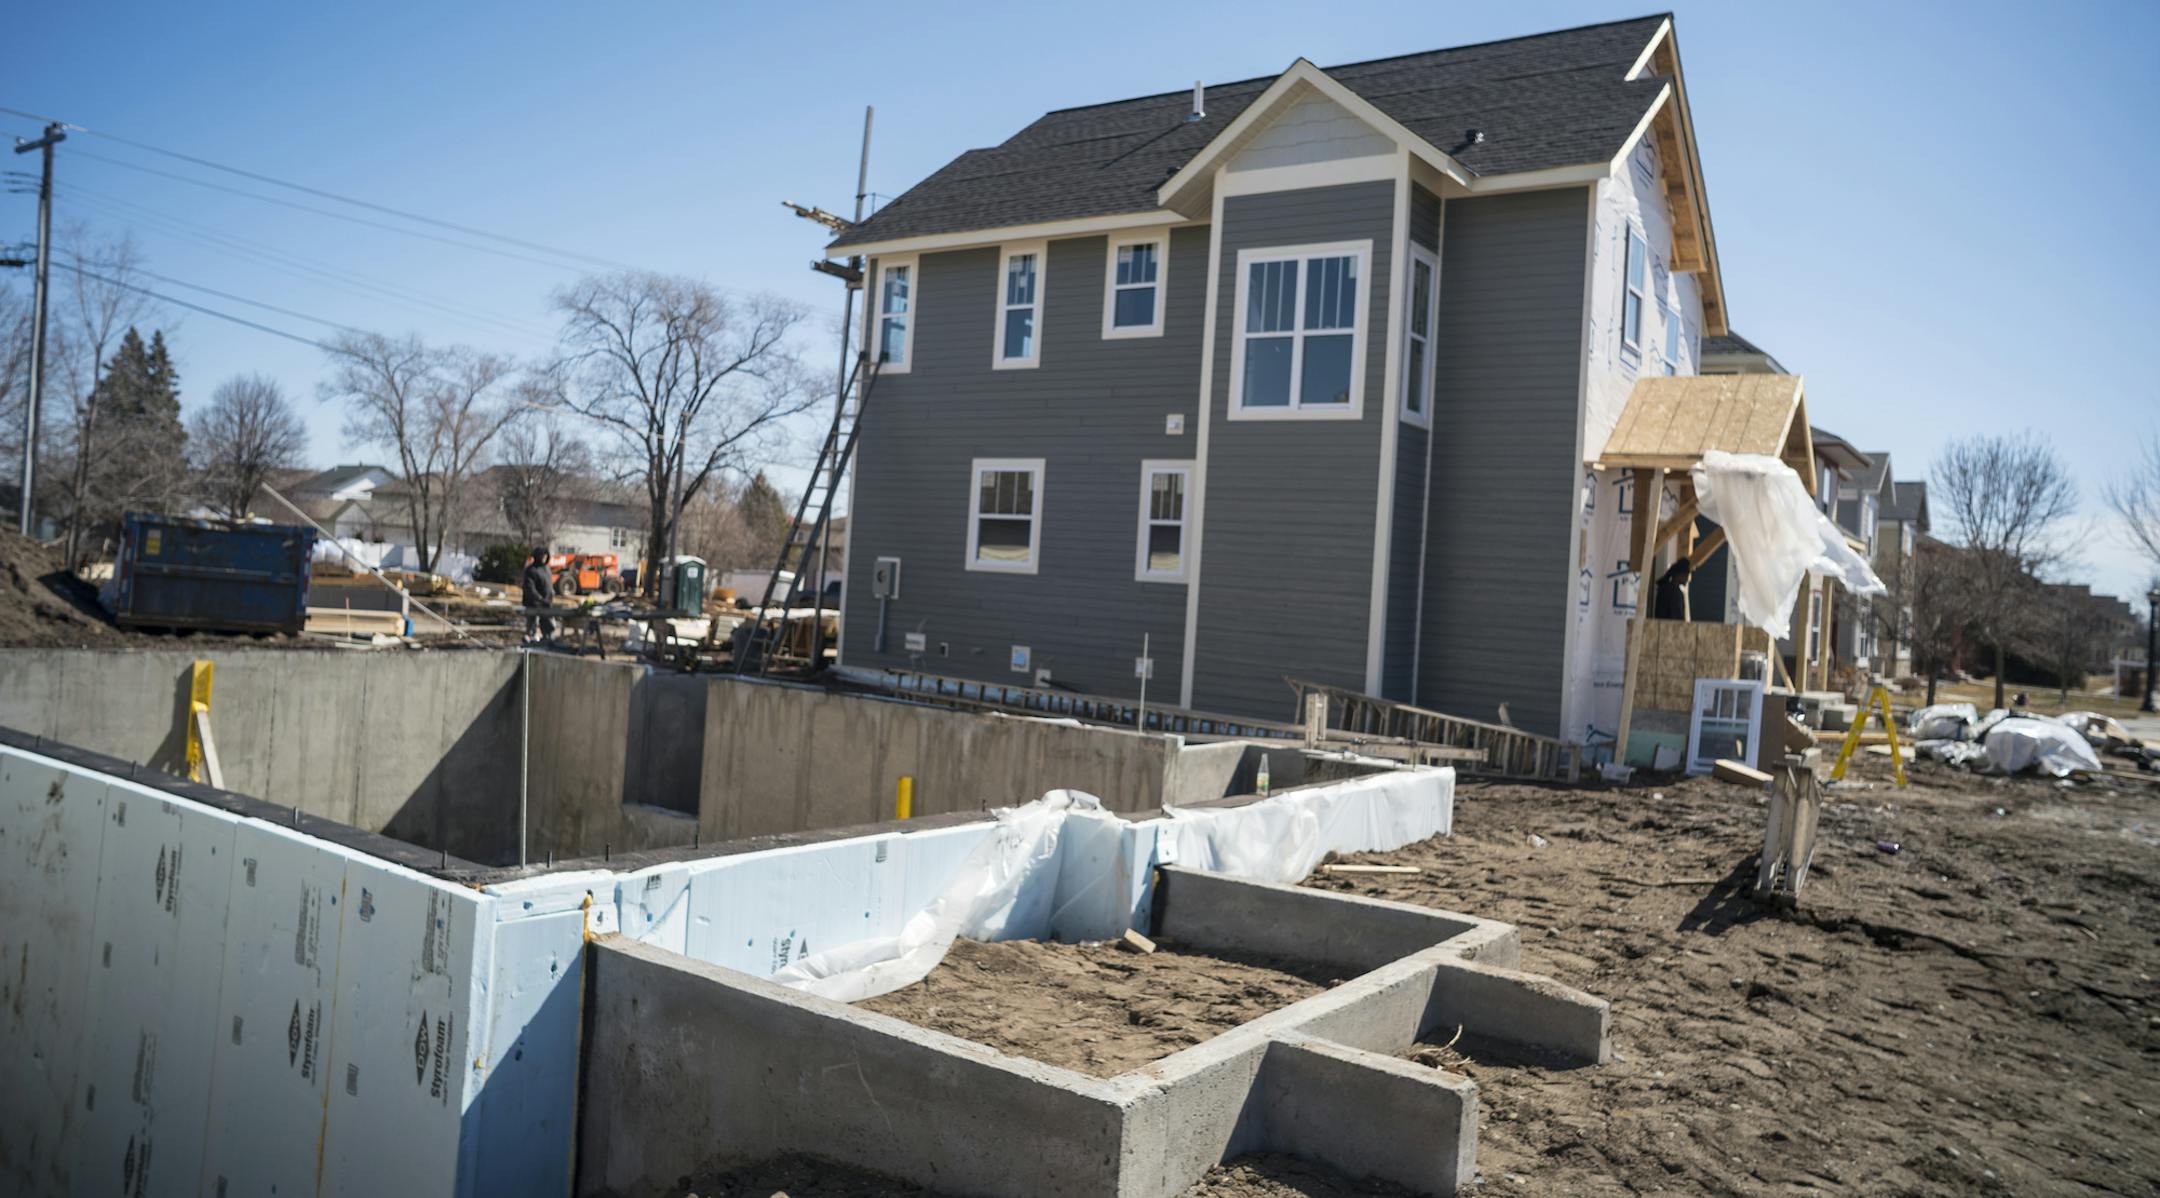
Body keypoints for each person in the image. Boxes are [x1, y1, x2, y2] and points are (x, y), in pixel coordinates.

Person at [521, 547, 557, 643]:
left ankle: (547, 638)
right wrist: (540, 599)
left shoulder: (547, 569)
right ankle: (530, 639)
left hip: (546, 603)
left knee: (547, 624)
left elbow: (549, 585)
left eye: (545, 556)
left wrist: (551, 596)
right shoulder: (531, 570)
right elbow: (530, 588)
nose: (543, 558)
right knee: (532, 624)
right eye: (541, 555)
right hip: (533, 604)